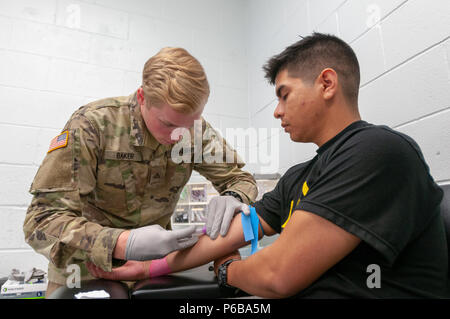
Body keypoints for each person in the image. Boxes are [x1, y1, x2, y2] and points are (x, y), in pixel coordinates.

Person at [89, 33, 448, 298]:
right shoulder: (299, 177)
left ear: (326, 83)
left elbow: (276, 275)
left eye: (283, 94)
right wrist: (150, 266)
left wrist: (228, 269)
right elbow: (236, 232)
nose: (276, 110)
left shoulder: (376, 151)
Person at [23, 47, 257, 297]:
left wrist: (234, 197)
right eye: (167, 124)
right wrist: (122, 243)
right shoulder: (93, 125)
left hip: (153, 270)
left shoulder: (195, 132)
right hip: (84, 270)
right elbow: (42, 220)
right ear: (142, 97)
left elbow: (240, 178)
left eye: (188, 125)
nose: (178, 135)